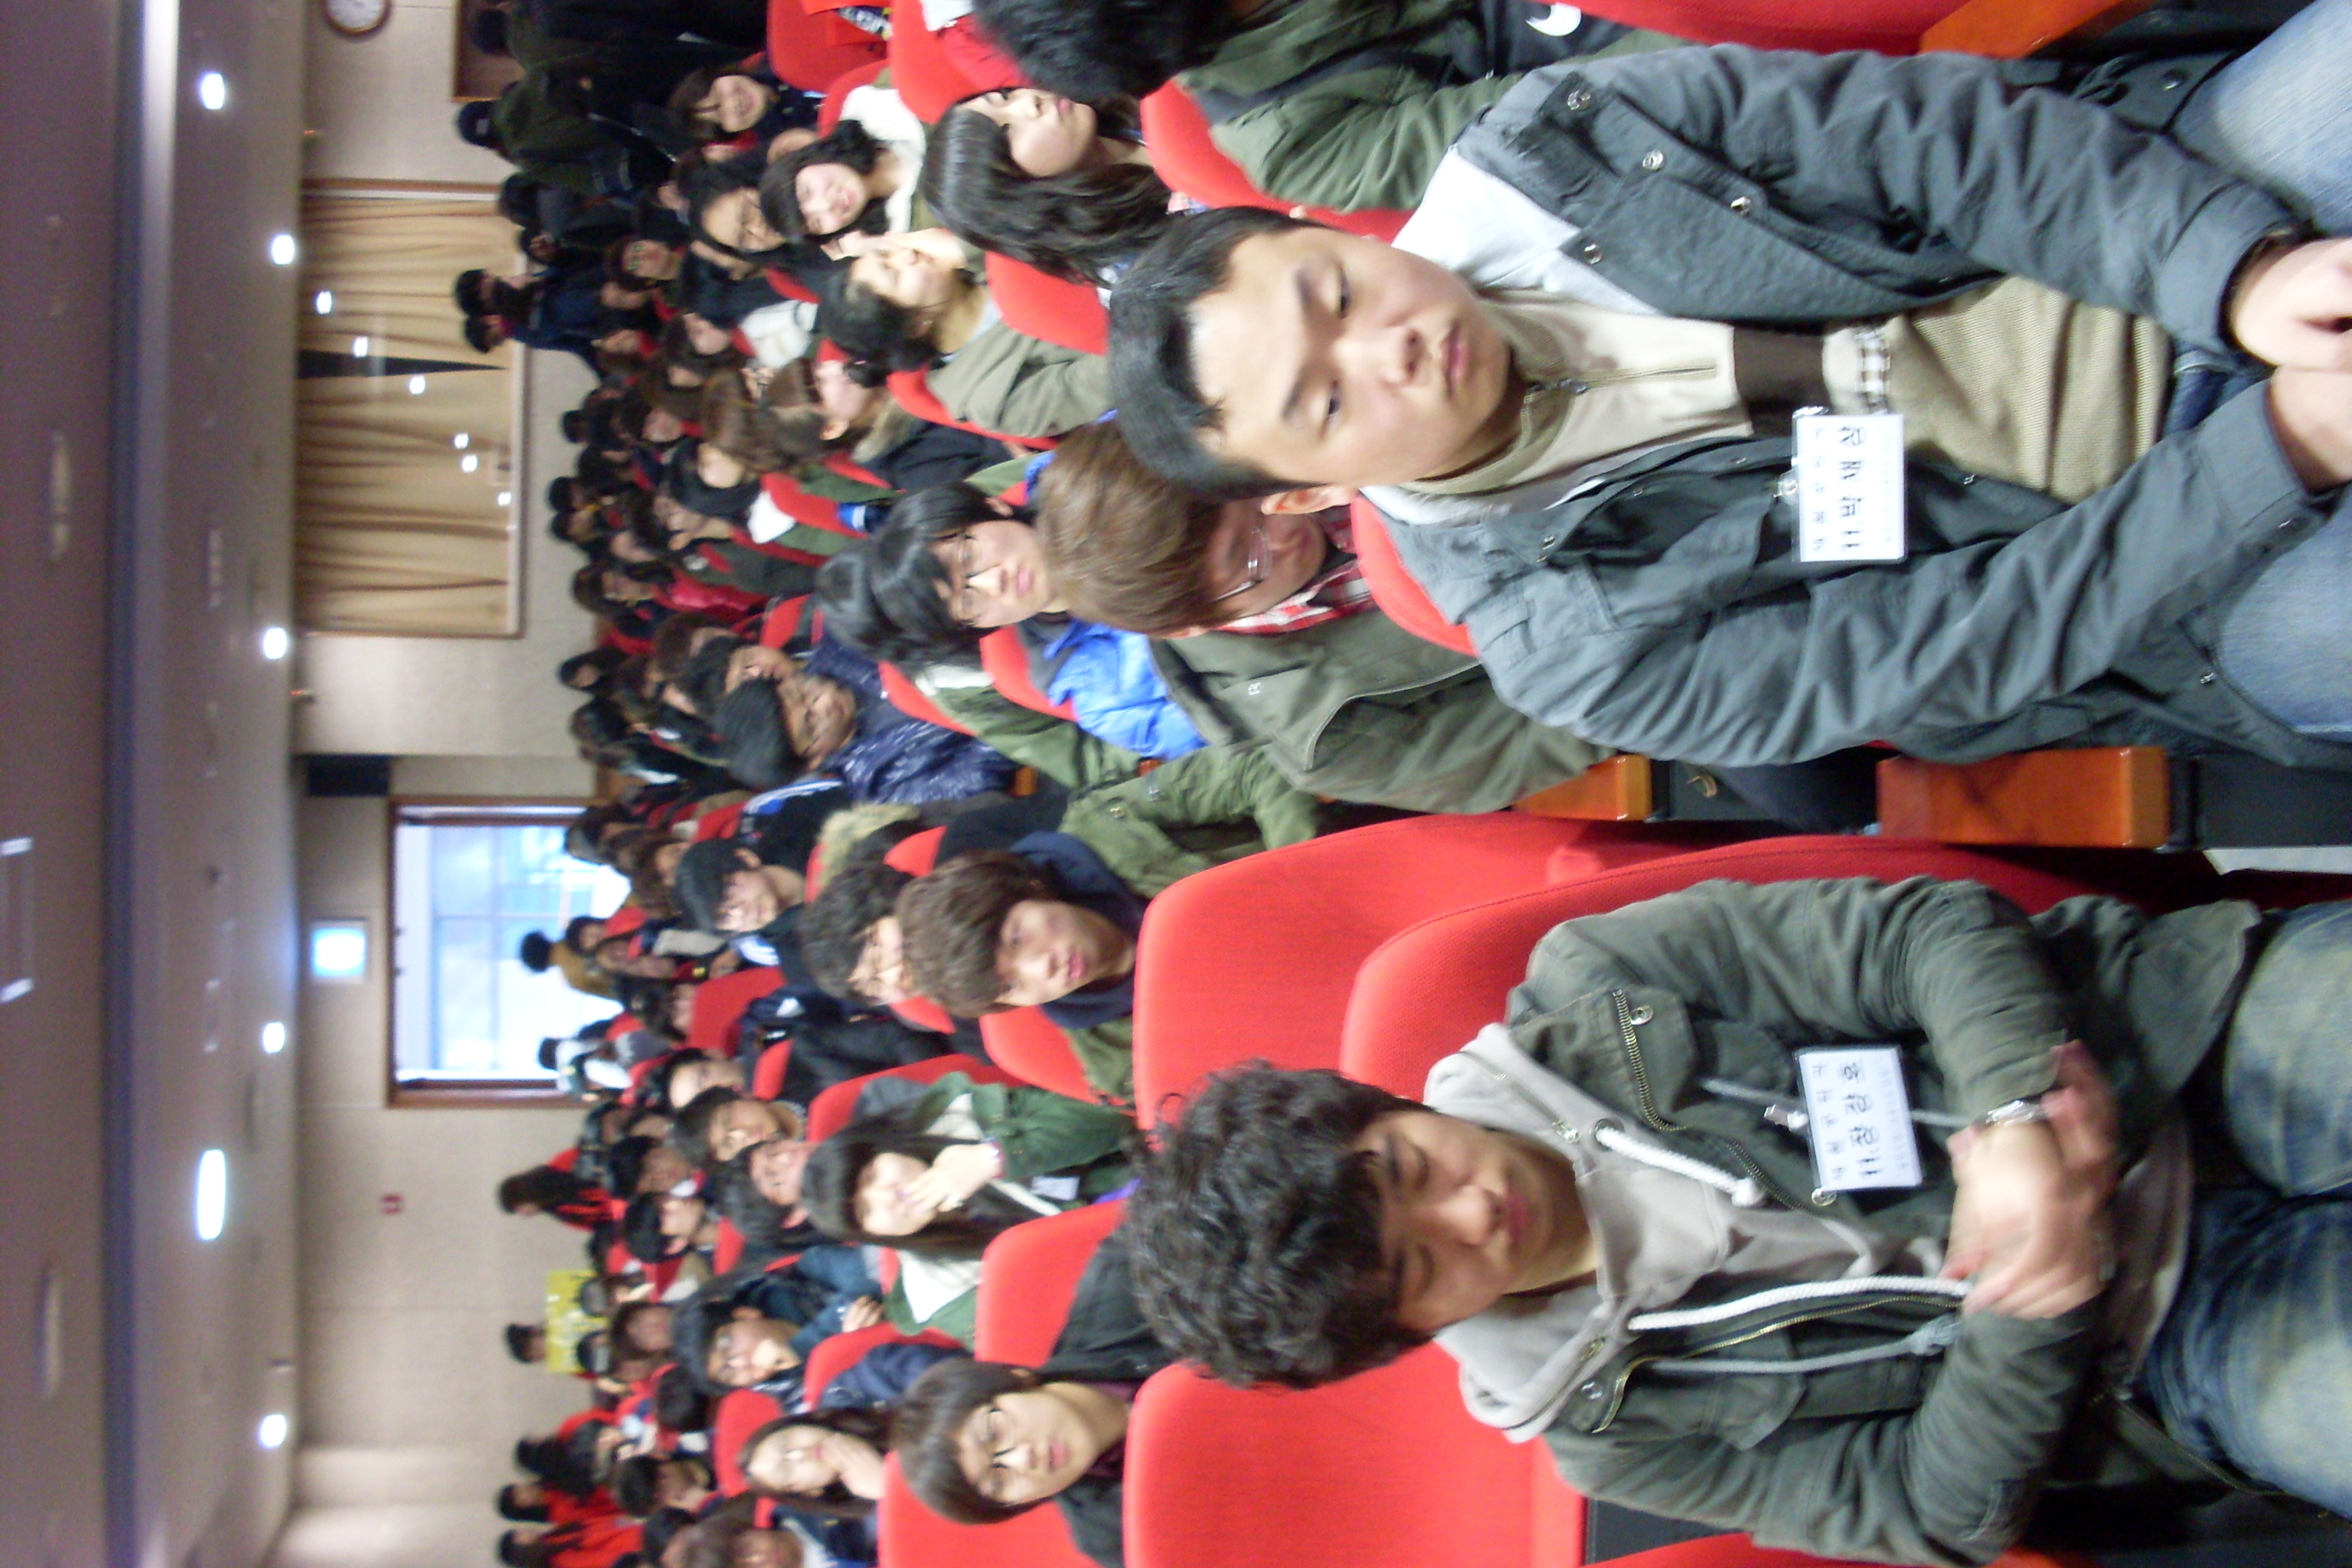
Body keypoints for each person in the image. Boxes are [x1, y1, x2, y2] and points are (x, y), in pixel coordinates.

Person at [1106, 38, 2352, 773]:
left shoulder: (1556, 146)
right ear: (1316, 492)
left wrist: (2232, 275)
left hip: (2150, 223)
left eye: (1337, 290)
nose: (1393, 345)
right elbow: (1958, 641)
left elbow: (1933, 139)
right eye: (1327, 400)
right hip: (2168, 564)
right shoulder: (1569, 649)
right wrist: (2272, 453)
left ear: (1326, 230)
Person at [1123, 877, 2352, 1563]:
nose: (1474, 1207)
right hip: (2158, 1341)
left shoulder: (1595, 990)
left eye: (1410, 1167)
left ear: (1384, 1106)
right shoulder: (1609, 1436)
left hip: (2171, 1048)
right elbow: (1927, 1507)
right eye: (1424, 1264)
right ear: (1412, 1333)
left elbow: (1920, 935)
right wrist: (2032, 1305)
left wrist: (2015, 1112)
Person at [969, 0, 1677, 213]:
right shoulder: (1296, 140)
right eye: (1007, 130)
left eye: (1004, 102)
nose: (1025, 110)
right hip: (1629, 39)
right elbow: (1596, 101)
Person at [816, 482, 1207, 760]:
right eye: (968, 601)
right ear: (976, 628)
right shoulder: (1099, 692)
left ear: (993, 507)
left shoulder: (1088, 474)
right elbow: (1222, 729)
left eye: (969, 557)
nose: (993, 581)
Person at [891, 1230, 1172, 1568]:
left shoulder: (1122, 1284)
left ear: (1016, 1378)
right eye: (998, 1480)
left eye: (994, 1432)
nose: (1024, 1459)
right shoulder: (1117, 1536)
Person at [801, 1068, 1134, 1256]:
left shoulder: (964, 1114)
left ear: (882, 1147)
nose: (886, 1195)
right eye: (865, 1212)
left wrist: (995, 1156)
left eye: (870, 1175)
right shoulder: (941, 1283)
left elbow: (1109, 1118)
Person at [816, 229, 1112, 440]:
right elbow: (1123, 368)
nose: (907, 253)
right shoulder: (991, 398)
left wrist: (971, 247)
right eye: (894, 273)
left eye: (888, 254)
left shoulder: (974, 254)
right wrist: (988, 254)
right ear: (915, 325)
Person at [920, 87, 1174, 289]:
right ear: (1016, 201)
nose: (1029, 103)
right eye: (1008, 131)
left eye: (1005, 97)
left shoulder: (1130, 87)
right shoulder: (1141, 267)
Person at [760, 90, 928, 249]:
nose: (826, 205)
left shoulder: (869, 106)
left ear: (807, 160)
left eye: (808, 192)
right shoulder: (908, 236)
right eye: (817, 222)